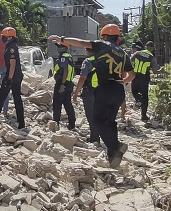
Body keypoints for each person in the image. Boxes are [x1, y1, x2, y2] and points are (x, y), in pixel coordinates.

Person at [49, 25, 134, 167]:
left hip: (105, 88)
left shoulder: (103, 45)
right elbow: (132, 75)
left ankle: (116, 146)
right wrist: (120, 82)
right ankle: (112, 155)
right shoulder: (123, 53)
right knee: (110, 122)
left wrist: (62, 39)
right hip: (118, 90)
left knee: (98, 121)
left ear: (105, 36)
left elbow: (81, 42)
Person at [0, 27, 25, 129]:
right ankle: (21, 123)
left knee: (1, 96)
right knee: (17, 98)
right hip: (16, 75)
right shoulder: (11, 46)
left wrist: (9, 79)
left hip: (13, 75)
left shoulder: (11, 48)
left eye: (4, 36)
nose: (3, 38)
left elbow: (13, 64)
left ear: (10, 37)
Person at [72, 47, 98, 143]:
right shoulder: (102, 60)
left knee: (91, 115)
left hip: (89, 91)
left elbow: (82, 78)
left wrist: (76, 93)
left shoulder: (87, 62)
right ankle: (99, 135)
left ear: (87, 51)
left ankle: (95, 137)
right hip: (101, 91)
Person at [131, 40, 157, 121]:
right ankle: (143, 115)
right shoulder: (152, 58)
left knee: (134, 92)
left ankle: (138, 100)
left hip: (135, 76)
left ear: (145, 47)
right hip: (144, 78)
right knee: (145, 96)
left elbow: (130, 61)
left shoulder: (137, 53)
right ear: (152, 48)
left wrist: (133, 68)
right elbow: (155, 71)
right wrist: (161, 71)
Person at [52, 42, 76, 129]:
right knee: (67, 104)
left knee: (57, 104)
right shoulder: (69, 57)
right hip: (69, 83)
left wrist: (62, 84)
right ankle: (72, 123)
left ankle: (55, 123)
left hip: (62, 83)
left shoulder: (63, 57)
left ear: (64, 48)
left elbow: (65, 71)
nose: (57, 48)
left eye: (59, 46)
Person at [121, 40, 142, 119]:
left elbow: (128, 65)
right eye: (132, 48)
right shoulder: (135, 55)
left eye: (134, 48)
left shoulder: (136, 55)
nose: (132, 50)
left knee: (134, 91)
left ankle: (138, 102)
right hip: (137, 75)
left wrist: (125, 80)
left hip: (136, 75)